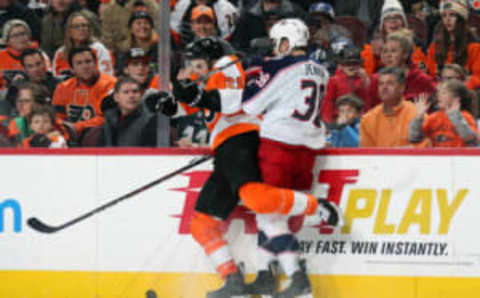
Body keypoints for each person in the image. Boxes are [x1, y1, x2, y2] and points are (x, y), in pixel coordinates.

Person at [147, 36, 341, 297]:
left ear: (212, 59)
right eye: (191, 65)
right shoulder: (208, 78)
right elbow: (191, 105)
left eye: (197, 63)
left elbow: (230, 100)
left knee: (256, 199)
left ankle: (317, 206)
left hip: (242, 141)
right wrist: (166, 105)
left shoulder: (228, 64)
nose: (193, 69)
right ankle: (233, 281)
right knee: (202, 224)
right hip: (225, 150)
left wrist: (193, 94)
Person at [241, 19, 342, 297]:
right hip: (307, 151)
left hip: (278, 146)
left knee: (269, 215)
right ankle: (264, 272)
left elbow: (250, 105)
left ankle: (297, 278)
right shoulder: (321, 69)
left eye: (277, 43)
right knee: (279, 217)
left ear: (286, 42)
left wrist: (255, 73)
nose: (275, 49)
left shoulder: (278, 65)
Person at [52, 46, 116, 138]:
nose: (85, 66)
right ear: (72, 69)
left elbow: (107, 118)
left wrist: (77, 127)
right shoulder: (62, 87)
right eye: (79, 63)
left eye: (88, 62)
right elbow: (57, 116)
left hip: (100, 136)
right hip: (68, 134)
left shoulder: (111, 85)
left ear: (96, 64)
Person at [359, 66, 429, 147]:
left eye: (390, 83)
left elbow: (424, 148)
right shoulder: (367, 120)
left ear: (402, 87)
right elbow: (366, 154)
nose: (384, 87)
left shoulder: (417, 115)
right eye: (381, 84)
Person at [368, 29, 436, 109]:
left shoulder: (423, 80)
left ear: (405, 54)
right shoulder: (375, 80)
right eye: (385, 51)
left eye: (393, 51)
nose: (388, 55)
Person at [362, 0, 426, 76]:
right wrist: (375, 56)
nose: (392, 21)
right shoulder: (373, 45)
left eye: (397, 17)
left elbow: (420, 70)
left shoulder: (415, 43)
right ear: (383, 25)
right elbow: (367, 74)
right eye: (388, 18)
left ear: (403, 22)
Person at [409, 80, 478, 146]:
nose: (439, 96)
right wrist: (418, 117)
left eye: (444, 93)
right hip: (438, 156)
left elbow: (471, 139)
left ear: (456, 98)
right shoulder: (434, 118)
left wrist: (455, 116)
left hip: (460, 156)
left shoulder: (465, 116)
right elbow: (414, 138)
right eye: (439, 93)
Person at [426, 0, 480, 83]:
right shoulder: (434, 47)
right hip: (440, 91)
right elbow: (430, 77)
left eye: (452, 15)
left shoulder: (474, 47)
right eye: (444, 16)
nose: (447, 19)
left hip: (465, 92)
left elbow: (478, 77)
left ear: (461, 18)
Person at [52, 11, 114, 81]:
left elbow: (107, 76)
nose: (81, 29)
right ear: (69, 31)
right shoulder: (60, 53)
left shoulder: (99, 49)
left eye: (84, 25)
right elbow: (56, 79)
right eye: (76, 26)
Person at [97, 77, 157, 146]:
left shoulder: (150, 121)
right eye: (126, 92)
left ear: (140, 95)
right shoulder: (109, 118)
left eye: (135, 91)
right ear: (116, 97)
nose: (131, 96)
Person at [231, 0, 306, 53]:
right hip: (256, 67)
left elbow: (304, 47)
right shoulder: (247, 15)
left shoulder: (296, 13)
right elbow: (237, 47)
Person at [320, 46, 370, 123]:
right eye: (347, 63)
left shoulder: (363, 80)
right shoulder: (334, 80)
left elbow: (366, 104)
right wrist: (329, 122)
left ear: (360, 65)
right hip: (339, 120)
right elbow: (328, 103)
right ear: (340, 65)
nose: (351, 66)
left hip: (359, 121)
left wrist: (365, 81)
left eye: (355, 63)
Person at [0, 19, 51, 91]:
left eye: (23, 34)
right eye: (15, 35)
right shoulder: (1, 57)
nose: (21, 38)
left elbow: (48, 78)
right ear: (7, 40)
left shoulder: (40, 54)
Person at [170, 0, 239, 48]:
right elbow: (174, 35)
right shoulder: (181, 5)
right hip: (185, 52)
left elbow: (228, 40)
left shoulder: (226, 9)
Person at [7, 82, 48, 146]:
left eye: (26, 101)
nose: (20, 105)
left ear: (38, 104)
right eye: (19, 101)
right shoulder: (16, 123)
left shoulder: (50, 124)